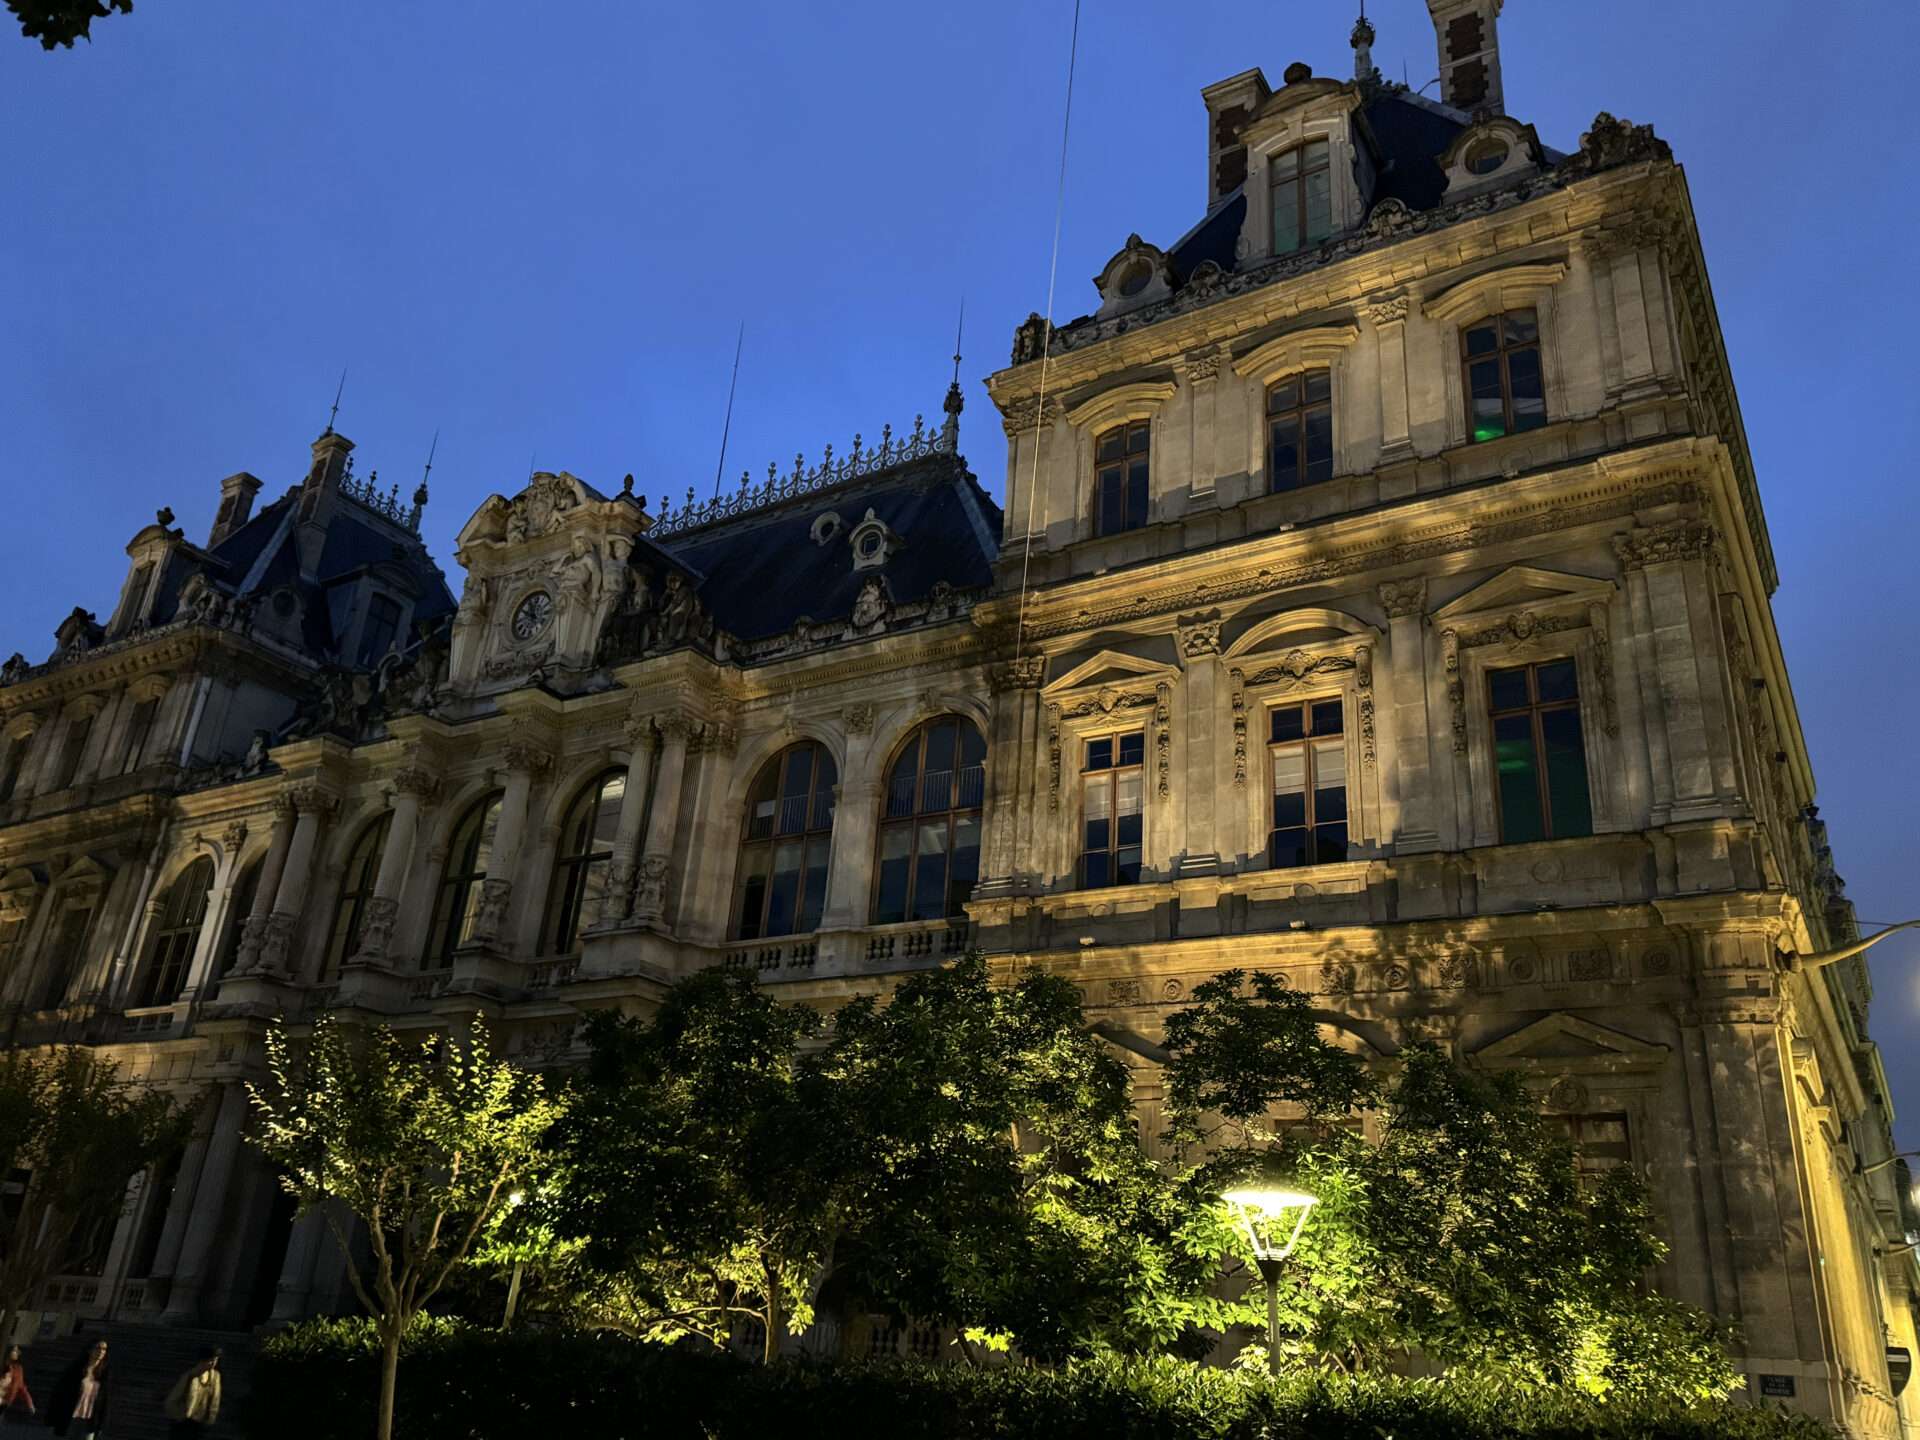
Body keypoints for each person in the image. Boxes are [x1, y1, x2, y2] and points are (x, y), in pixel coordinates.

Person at [47, 1337, 109, 1440]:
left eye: (104, 1349)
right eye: (98, 1348)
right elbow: (59, 1394)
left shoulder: (104, 1375)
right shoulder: (75, 1370)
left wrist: (102, 1423)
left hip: (90, 1421)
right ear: (90, 1350)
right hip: (71, 1417)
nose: (101, 1351)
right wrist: (52, 1417)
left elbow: (105, 1401)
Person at [163, 1347, 221, 1438]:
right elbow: (171, 1401)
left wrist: (210, 1419)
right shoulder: (190, 1376)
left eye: (215, 1360)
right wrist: (180, 1417)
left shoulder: (215, 1377)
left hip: (198, 1422)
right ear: (202, 1361)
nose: (213, 1363)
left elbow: (215, 1400)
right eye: (211, 1360)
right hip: (184, 1421)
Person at [0, 1344, 33, 1426]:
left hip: (5, 1400)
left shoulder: (18, 1370)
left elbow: (21, 1387)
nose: (14, 1353)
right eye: (13, 1351)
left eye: (16, 1352)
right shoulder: (3, 1364)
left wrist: (29, 1403)